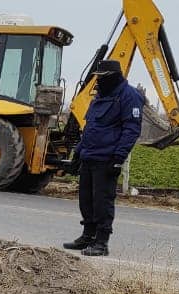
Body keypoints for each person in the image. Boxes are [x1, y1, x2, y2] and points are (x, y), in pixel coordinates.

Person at [63, 60, 143, 256]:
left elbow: (131, 130)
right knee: (86, 200)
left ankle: (101, 242)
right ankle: (87, 236)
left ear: (112, 76)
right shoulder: (100, 96)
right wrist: (78, 153)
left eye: (101, 77)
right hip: (89, 156)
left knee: (102, 202)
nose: (98, 80)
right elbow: (90, 127)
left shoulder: (129, 96)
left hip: (107, 158)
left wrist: (118, 157)